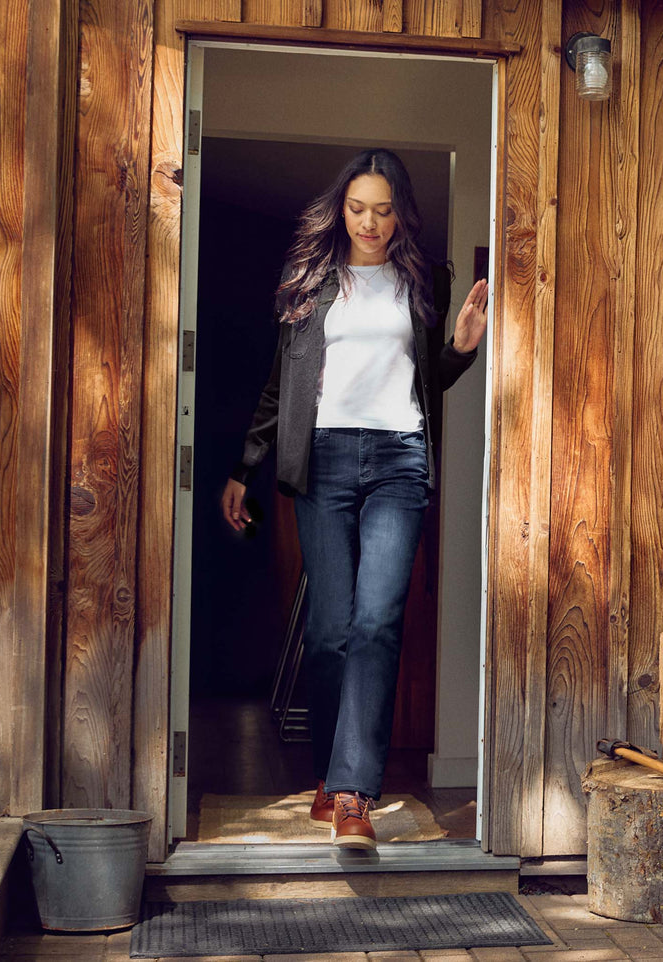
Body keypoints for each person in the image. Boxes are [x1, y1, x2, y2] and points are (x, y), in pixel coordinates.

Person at [221, 148, 488, 850]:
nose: (369, 223)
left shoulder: (423, 281)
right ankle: (329, 772)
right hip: (324, 461)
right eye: (358, 209)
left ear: (401, 216)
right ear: (341, 210)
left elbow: (426, 378)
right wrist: (245, 466)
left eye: (383, 211)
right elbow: (281, 386)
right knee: (330, 631)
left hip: (399, 460)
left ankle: (353, 794)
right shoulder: (310, 281)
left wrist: (460, 348)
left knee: (377, 622)